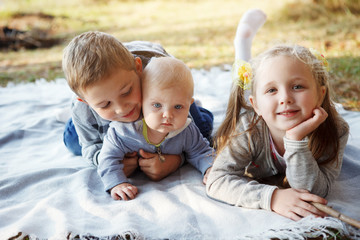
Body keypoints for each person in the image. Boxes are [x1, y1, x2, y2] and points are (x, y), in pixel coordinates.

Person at [206, 41, 350, 220]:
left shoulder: (336, 130)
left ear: (320, 94)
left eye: (297, 87)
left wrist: (295, 140)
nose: (285, 98)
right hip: (206, 126)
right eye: (272, 90)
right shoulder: (248, 131)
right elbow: (217, 181)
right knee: (200, 126)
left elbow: (312, 192)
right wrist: (272, 197)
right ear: (256, 105)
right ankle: (242, 40)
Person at [62, 31, 214, 181]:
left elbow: (193, 145)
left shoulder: (158, 78)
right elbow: (90, 147)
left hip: (168, 84)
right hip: (99, 119)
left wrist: (176, 160)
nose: (122, 108)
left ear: (138, 69)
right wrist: (113, 162)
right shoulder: (82, 107)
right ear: (87, 103)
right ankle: (74, 117)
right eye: (105, 104)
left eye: (127, 92)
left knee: (201, 129)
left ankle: (198, 108)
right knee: (74, 142)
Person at [98, 57, 214, 200]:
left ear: (189, 105)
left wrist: (210, 168)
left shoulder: (186, 130)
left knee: (205, 126)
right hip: (95, 121)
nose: (167, 115)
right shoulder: (123, 132)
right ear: (142, 100)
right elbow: (107, 158)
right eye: (157, 105)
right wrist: (116, 183)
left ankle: (199, 108)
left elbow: (201, 151)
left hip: (194, 117)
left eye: (178, 107)